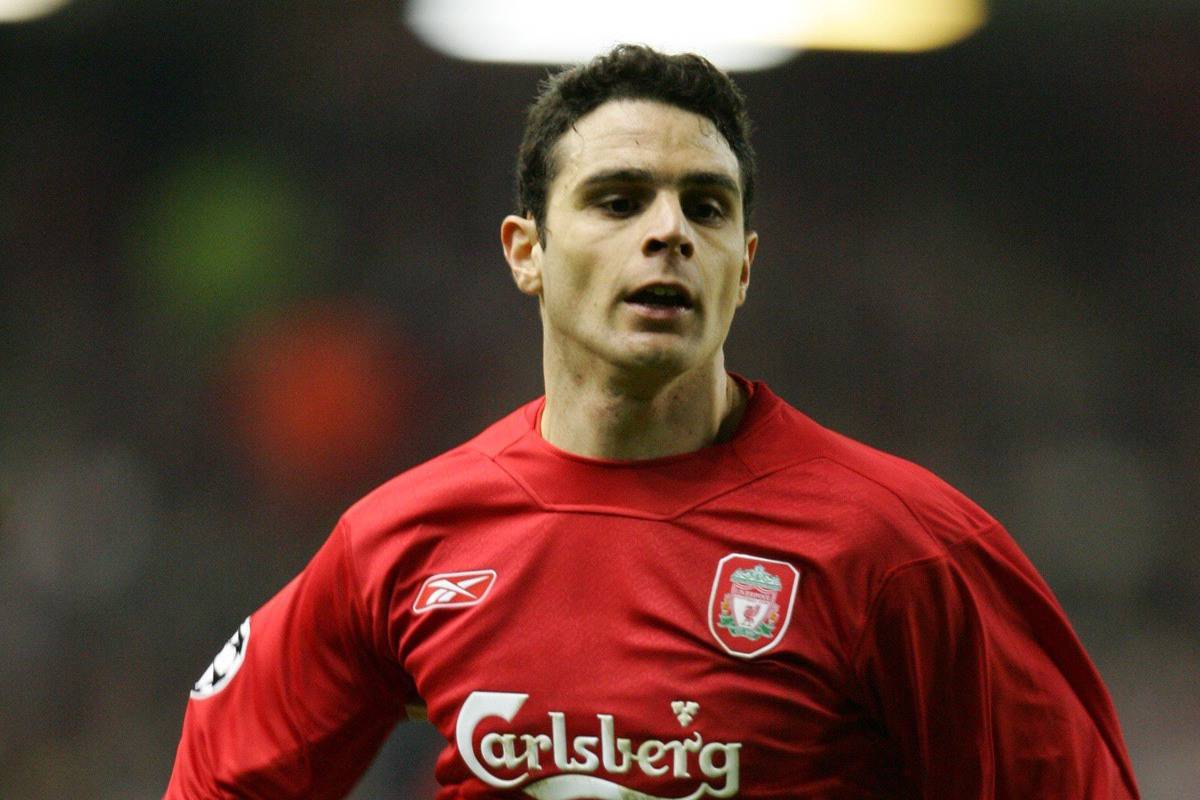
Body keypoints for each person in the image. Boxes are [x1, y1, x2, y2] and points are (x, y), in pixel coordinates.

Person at [165, 44, 1140, 799]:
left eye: (706, 207)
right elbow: (224, 772)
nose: (668, 229)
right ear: (526, 251)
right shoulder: (402, 542)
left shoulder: (900, 549)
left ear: (744, 263)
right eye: (619, 199)